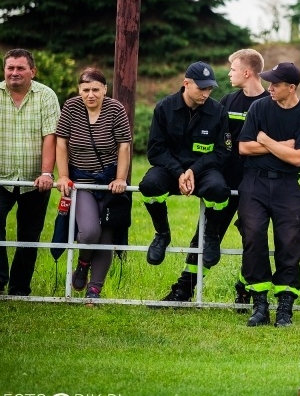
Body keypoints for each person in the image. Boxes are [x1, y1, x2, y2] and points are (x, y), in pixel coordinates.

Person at [159, 49, 268, 305]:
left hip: (258, 184)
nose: (229, 73)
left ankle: (245, 289)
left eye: (232, 69)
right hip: (226, 182)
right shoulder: (227, 102)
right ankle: (183, 291)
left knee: (252, 239)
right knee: (206, 235)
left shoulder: (269, 104)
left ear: (247, 72)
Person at [238, 62, 300, 328]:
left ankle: (285, 306)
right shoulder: (259, 107)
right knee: (253, 236)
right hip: (254, 183)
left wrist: (265, 140)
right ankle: (259, 304)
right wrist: (281, 146)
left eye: (275, 84)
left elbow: (297, 158)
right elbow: (244, 148)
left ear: (291, 87)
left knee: (290, 240)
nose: (269, 88)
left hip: (287, 185)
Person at [139, 62, 231, 271]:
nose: (206, 93)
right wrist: (179, 172)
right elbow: (155, 150)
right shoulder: (164, 107)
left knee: (219, 190)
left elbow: (222, 151)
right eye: (201, 88)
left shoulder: (218, 111)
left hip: (204, 171)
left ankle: (211, 236)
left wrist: (193, 170)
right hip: (171, 171)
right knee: (149, 185)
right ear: (186, 83)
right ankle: (162, 234)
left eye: (209, 88)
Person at [54, 68, 132, 300]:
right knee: (89, 231)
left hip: (109, 183)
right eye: (86, 90)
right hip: (82, 182)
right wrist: (63, 176)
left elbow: (124, 146)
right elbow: (61, 143)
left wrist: (120, 179)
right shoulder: (71, 107)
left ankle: (94, 290)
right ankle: (83, 263)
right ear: (79, 90)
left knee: (106, 237)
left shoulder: (115, 109)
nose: (90, 94)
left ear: (104, 90)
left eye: (95, 89)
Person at [0, 49, 60, 296]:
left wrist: (46, 173)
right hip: (0, 178)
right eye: (10, 68)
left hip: (35, 181)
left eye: (20, 68)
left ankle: (19, 288)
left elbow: (51, 136)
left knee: (29, 235)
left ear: (32, 71)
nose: (14, 72)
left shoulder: (46, 96)